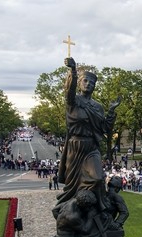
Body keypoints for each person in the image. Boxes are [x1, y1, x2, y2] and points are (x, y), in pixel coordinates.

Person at [57, 57, 120, 211]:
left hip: (91, 147)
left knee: (98, 178)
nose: (89, 84)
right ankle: (72, 209)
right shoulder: (73, 101)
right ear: (79, 83)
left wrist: (111, 111)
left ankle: (96, 209)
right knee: (73, 185)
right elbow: (69, 90)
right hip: (76, 146)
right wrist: (73, 71)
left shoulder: (97, 107)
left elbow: (105, 128)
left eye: (92, 83)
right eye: (85, 81)